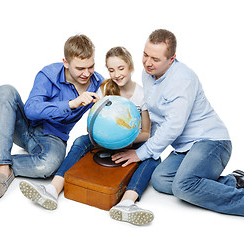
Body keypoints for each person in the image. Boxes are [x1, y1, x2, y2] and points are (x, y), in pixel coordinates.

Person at [111, 29, 244, 233]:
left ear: (172, 58)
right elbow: (158, 117)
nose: (148, 62)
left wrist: (140, 153)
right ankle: (235, 181)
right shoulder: (148, 74)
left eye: (155, 59)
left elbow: (172, 127)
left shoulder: (182, 80)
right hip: (185, 148)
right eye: (145, 55)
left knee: (183, 186)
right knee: (160, 180)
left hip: (212, 142)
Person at [19, 46, 160, 225]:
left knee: (154, 157)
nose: (116, 74)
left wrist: (124, 140)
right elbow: (93, 123)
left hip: (131, 142)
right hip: (103, 141)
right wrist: (104, 136)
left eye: (121, 68)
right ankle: (53, 190)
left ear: (130, 66)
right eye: (111, 70)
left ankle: (126, 203)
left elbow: (146, 134)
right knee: (80, 141)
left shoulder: (143, 95)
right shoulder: (105, 88)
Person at [0, 34, 104, 203]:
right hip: (24, 128)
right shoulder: (49, 74)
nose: (87, 73)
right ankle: (3, 171)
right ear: (66, 63)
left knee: (49, 166)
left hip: (53, 138)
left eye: (91, 66)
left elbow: (116, 102)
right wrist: (71, 104)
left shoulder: (98, 84)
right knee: (5, 90)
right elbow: (31, 110)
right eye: (80, 68)